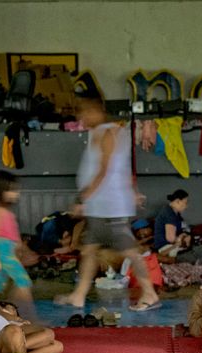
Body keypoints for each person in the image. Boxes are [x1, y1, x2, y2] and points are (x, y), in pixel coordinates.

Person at [55, 95, 160, 312]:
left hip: (112, 209)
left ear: (97, 111)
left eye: (85, 111)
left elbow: (105, 171)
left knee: (130, 252)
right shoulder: (98, 132)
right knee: (89, 251)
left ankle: (150, 294)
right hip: (100, 208)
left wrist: (82, 199)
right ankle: (79, 295)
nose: (81, 116)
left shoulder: (109, 133)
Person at [0, 171, 36, 319]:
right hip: (2, 251)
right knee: (24, 281)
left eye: (16, 189)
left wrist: (22, 250)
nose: (15, 193)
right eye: (11, 190)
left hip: (5, 251)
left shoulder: (4, 211)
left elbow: (12, 237)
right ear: (0, 191)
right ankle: (29, 317)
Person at [154, 189, 191, 256]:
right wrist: (182, 239)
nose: (186, 206)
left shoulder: (175, 213)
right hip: (165, 247)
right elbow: (170, 238)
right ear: (178, 201)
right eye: (185, 203)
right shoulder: (169, 214)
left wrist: (184, 234)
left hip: (171, 245)